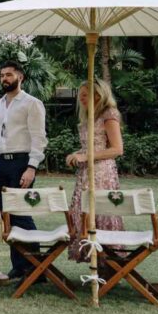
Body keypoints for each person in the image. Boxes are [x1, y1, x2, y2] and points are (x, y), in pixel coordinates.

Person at [0, 61, 47, 283]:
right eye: (2, 75)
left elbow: (39, 138)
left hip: (21, 163)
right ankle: (19, 267)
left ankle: (36, 269)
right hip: (0, 163)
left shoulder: (32, 104)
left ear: (20, 77)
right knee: (8, 217)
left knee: (21, 213)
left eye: (9, 75)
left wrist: (32, 167)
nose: (5, 78)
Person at [65, 79, 124, 263]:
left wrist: (86, 156)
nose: (81, 99)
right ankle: (93, 258)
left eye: (85, 95)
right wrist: (77, 154)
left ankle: (109, 259)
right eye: (80, 95)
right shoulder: (89, 116)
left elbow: (117, 149)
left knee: (100, 211)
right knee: (84, 212)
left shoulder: (109, 114)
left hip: (101, 172)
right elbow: (89, 147)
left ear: (98, 95)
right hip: (86, 172)